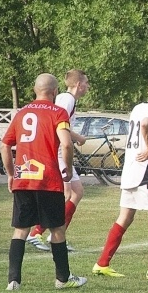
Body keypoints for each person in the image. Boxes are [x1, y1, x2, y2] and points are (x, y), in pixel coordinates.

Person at [1, 73, 87, 290]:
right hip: (47, 178)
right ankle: (63, 279)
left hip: (24, 178)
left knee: (21, 229)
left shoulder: (22, 113)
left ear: (34, 90)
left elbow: (5, 145)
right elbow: (66, 144)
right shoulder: (58, 112)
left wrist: (11, 174)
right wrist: (66, 167)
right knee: (57, 229)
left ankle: (14, 280)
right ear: (55, 91)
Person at [92, 75, 148, 280]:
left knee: (125, 217)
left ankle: (102, 263)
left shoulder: (138, 107)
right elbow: (145, 125)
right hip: (145, 171)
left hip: (131, 168)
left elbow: (142, 128)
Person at [26, 69, 90, 252]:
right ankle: (37, 233)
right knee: (67, 194)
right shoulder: (67, 99)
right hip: (59, 152)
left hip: (61, 151)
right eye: (85, 83)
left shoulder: (68, 100)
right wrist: (77, 137)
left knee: (76, 193)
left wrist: (75, 136)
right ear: (78, 84)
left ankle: (55, 235)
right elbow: (57, 123)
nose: (87, 86)